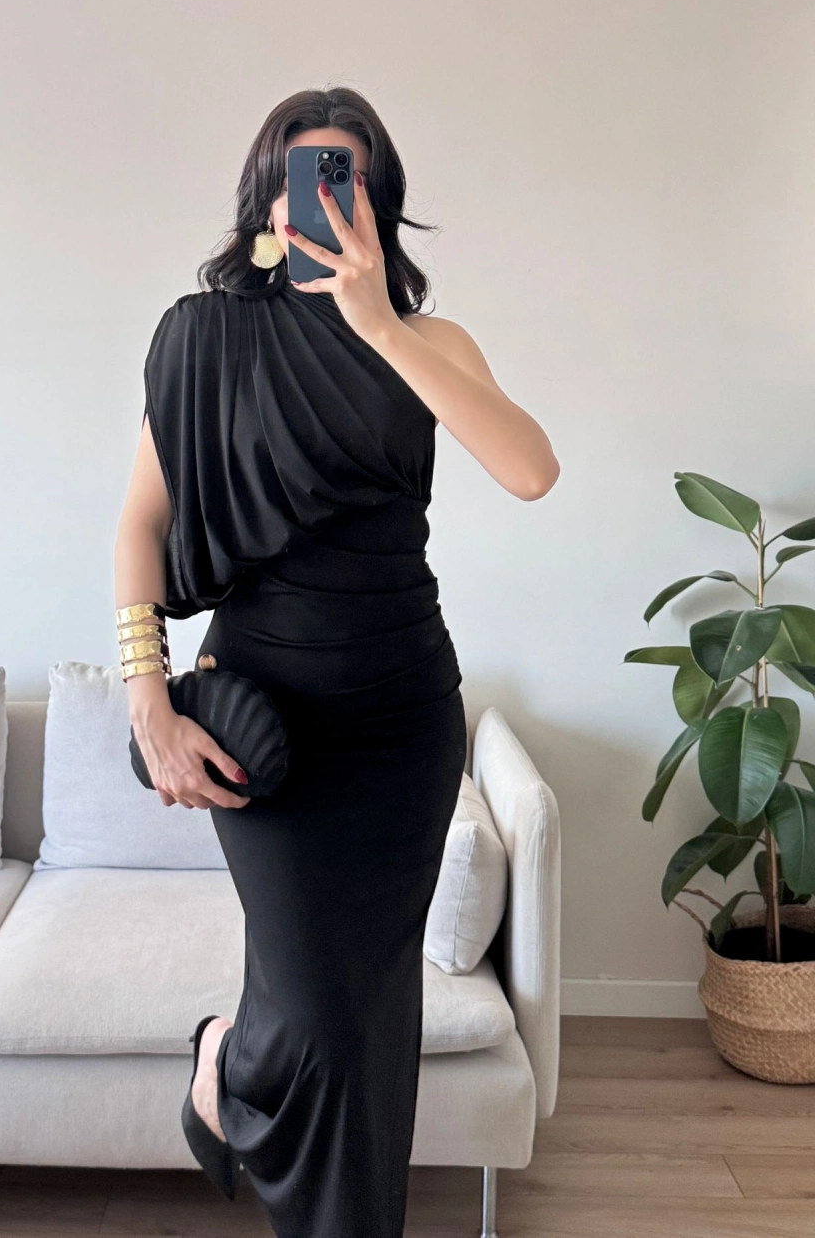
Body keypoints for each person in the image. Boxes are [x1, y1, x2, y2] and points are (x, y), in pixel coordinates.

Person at [113, 86, 559, 1238]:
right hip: (266, 715)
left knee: (366, 1018)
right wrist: (148, 699)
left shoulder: (428, 342)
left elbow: (530, 470)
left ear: (377, 199)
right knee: (315, 1010)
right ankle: (232, 1056)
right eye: (301, 173)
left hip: (404, 721)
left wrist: (378, 327)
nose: (320, 196)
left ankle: (244, 1082)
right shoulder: (201, 336)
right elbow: (141, 526)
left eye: (344, 176)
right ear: (267, 197)